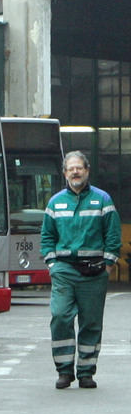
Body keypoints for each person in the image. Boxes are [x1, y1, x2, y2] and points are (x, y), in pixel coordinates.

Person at [40, 150, 121, 389]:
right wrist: (52, 264)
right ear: (65, 173)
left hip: (95, 273)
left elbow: (113, 235)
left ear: (87, 171)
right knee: (61, 317)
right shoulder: (55, 202)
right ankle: (64, 371)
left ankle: (86, 372)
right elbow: (47, 236)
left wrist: (107, 265)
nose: (75, 172)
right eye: (70, 168)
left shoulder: (102, 199)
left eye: (79, 168)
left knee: (91, 322)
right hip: (64, 270)